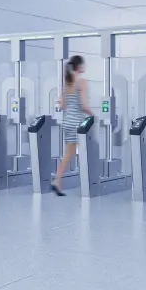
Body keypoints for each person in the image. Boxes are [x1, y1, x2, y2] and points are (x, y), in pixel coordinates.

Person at [51, 55, 92, 196]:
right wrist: (93, 115)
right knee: (87, 152)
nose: (84, 67)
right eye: (83, 64)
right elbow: (84, 105)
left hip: (67, 122)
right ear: (79, 66)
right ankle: (88, 183)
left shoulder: (67, 84)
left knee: (69, 154)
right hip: (77, 122)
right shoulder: (82, 82)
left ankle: (57, 180)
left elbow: (62, 106)